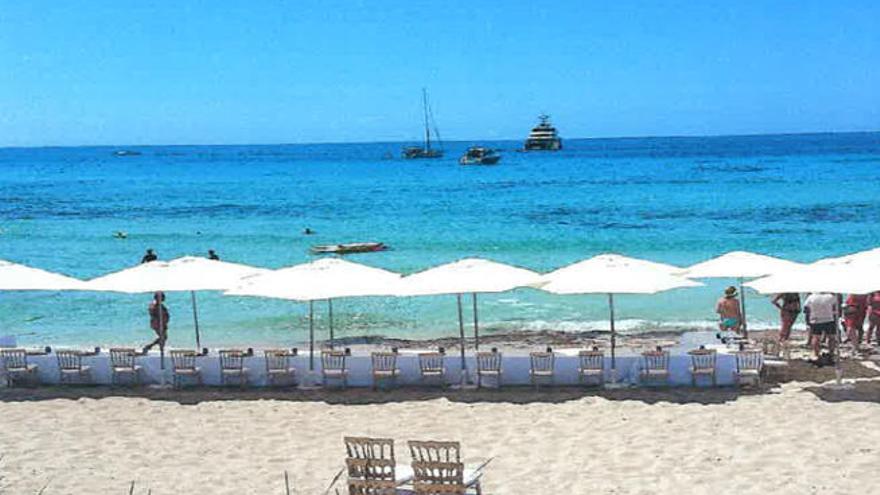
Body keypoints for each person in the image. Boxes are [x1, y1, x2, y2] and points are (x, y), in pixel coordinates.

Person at [803, 292, 839, 360]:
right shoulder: (830, 296)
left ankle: (816, 354)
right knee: (831, 337)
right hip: (829, 318)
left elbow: (806, 309)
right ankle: (831, 353)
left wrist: (808, 320)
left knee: (816, 337)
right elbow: (835, 308)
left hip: (815, 319)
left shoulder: (811, 297)